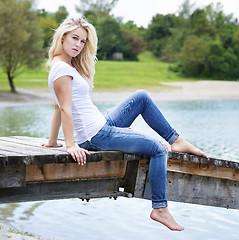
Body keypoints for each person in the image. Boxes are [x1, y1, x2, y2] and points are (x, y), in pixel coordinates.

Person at [42, 15, 207, 231]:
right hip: (96, 136)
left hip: (102, 124)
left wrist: (53, 141)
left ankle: (177, 140)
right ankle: (160, 208)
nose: (78, 45)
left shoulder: (61, 64)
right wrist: (71, 145)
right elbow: (63, 108)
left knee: (141, 98)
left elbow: (57, 106)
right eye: (74, 38)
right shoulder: (62, 69)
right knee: (158, 150)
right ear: (62, 37)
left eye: (83, 41)